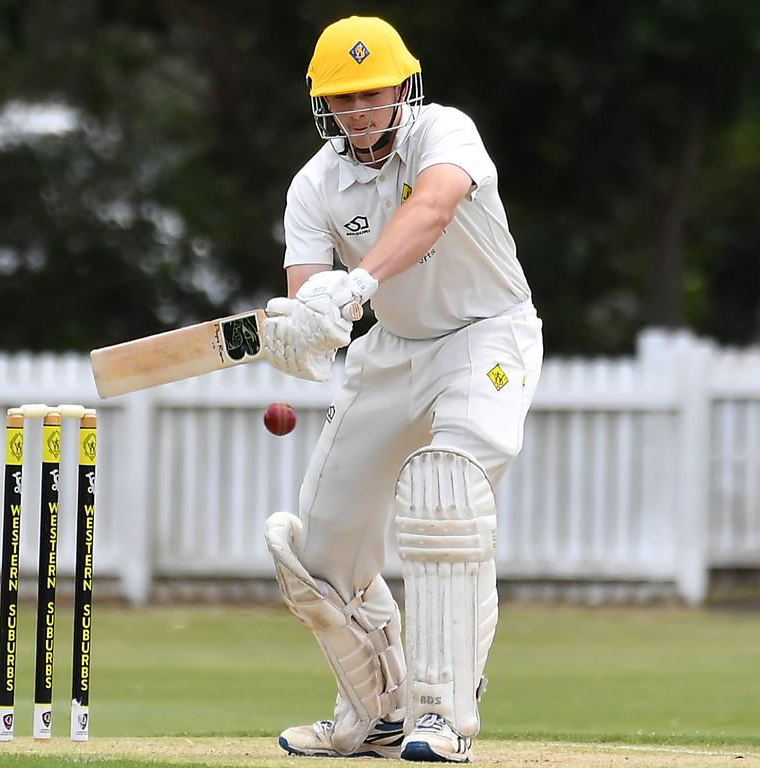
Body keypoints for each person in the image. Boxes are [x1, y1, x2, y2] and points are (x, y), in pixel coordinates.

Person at [260, 15, 543, 763]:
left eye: (373, 94)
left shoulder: (443, 132)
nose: (360, 112)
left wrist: (357, 282)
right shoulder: (315, 185)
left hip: (486, 337)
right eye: (344, 98)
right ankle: (375, 714)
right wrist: (308, 324)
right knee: (318, 557)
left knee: (447, 498)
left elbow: (434, 207)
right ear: (324, 104)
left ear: (402, 90)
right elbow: (309, 294)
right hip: (392, 351)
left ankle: (443, 717)